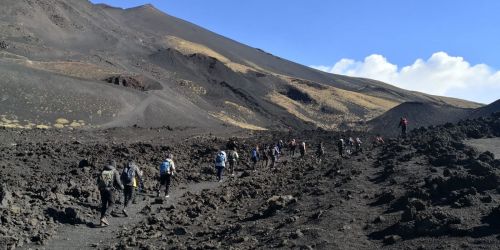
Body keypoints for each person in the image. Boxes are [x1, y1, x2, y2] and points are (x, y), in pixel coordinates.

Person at [97, 160, 123, 227]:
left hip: (102, 190)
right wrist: (121, 187)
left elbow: (98, 181)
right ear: (114, 165)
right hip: (110, 190)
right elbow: (118, 182)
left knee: (104, 205)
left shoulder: (103, 171)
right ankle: (105, 217)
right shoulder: (114, 171)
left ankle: (101, 222)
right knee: (112, 204)